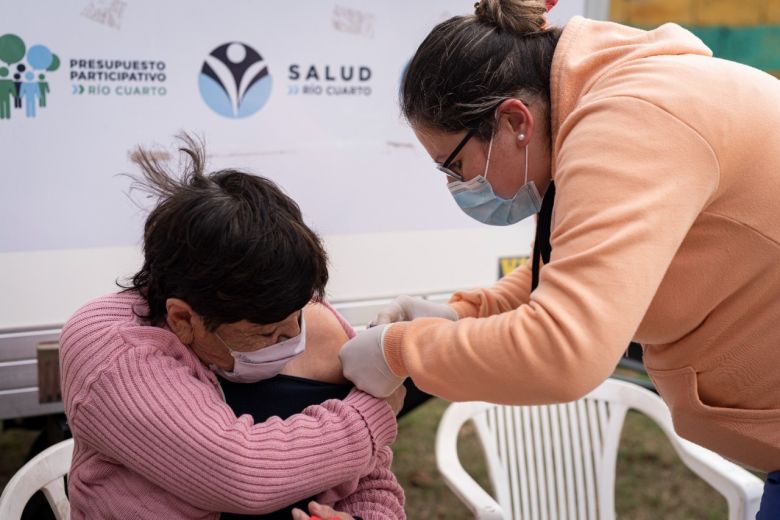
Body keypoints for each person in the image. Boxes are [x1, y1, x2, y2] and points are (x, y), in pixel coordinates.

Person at [338, 0, 780, 516]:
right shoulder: (612, 100)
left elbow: (563, 352)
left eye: (455, 166)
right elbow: (576, 268)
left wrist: (401, 352)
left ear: (513, 121)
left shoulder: (631, 122)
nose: (458, 186)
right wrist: (463, 314)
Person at [60, 135, 405, 519]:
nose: (291, 338)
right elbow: (241, 473)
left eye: (299, 316)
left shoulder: (308, 321)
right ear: (183, 319)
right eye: (266, 334)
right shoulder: (112, 350)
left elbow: (371, 475)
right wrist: (372, 414)